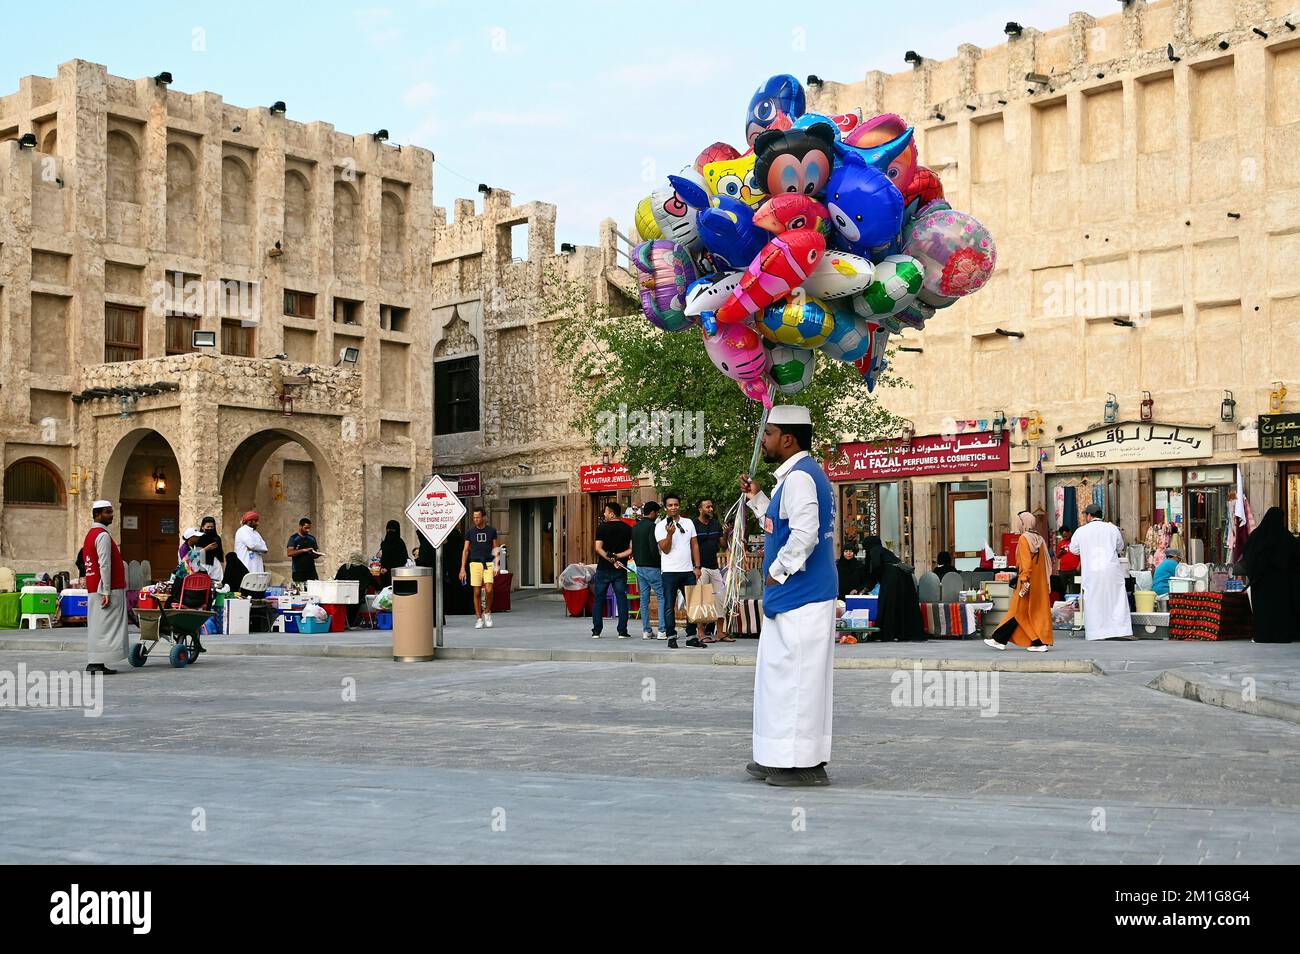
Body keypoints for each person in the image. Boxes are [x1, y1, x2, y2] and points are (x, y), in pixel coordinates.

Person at [740, 404, 836, 787]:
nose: (764, 440)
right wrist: (757, 499)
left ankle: (804, 764)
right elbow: (781, 523)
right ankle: (777, 755)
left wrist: (778, 573)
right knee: (779, 679)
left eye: (769, 433)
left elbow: (805, 534)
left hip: (803, 595)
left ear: (788, 439)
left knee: (798, 680)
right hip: (796, 598)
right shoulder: (795, 477)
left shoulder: (800, 479)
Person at [984, 511, 1053, 652]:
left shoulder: (1024, 539)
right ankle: (1000, 639)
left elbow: (1026, 563)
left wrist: (1023, 579)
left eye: (1019, 522)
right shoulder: (1039, 539)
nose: (1018, 524)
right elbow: (1046, 564)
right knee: (1022, 613)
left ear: (1024, 523)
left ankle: (1036, 642)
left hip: (1026, 583)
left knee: (1018, 612)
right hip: (1039, 584)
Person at [1069, 503, 1133, 640]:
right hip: (1111, 571)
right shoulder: (1112, 528)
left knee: (1094, 601)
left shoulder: (1081, 531)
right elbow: (1120, 546)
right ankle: (1119, 630)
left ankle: (1096, 632)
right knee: (1115, 600)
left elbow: (1073, 549)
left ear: (1089, 516)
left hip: (1092, 572)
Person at [1241, 507, 1299, 643]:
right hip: (1281, 583)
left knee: (1263, 611)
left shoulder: (1257, 536)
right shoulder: (1285, 537)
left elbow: (1248, 556)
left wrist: (1255, 573)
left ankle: (1262, 635)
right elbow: (1295, 558)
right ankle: (1281, 635)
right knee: (1281, 610)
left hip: (1261, 583)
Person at [83, 500, 128, 675]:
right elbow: (104, 564)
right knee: (106, 627)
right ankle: (96, 662)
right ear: (97, 514)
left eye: (111, 511)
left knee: (99, 626)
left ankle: (97, 661)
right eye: (108, 512)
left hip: (96, 587)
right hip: (106, 589)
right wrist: (107, 590)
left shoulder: (91, 534)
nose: (112, 515)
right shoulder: (102, 535)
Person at [655, 492, 701, 649]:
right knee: (669, 605)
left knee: (692, 604)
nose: (673, 507)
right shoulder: (660, 526)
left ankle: (691, 636)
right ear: (665, 508)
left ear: (679, 506)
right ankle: (671, 636)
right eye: (670, 505)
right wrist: (669, 534)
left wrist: (697, 566)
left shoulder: (688, 523)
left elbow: (694, 545)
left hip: (688, 570)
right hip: (669, 572)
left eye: (676, 504)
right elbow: (665, 550)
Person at [863, 536, 925, 641]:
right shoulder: (885, 551)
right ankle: (903, 633)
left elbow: (876, 567)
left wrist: (868, 586)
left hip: (892, 577)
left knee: (888, 604)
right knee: (902, 604)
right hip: (903, 577)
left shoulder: (874, 550)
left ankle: (888, 633)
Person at [591, 503, 633, 639]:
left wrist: (610, 559)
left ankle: (596, 631)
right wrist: (618, 558)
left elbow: (598, 548)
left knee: (598, 599)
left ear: (612, 514)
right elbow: (632, 549)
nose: (604, 514)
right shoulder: (628, 528)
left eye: (605, 512)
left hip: (603, 568)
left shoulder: (602, 528)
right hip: (620, 569)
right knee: (622, 599)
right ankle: (622, 631)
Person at [688, 497, 726, 642]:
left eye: (711, 507)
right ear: (700, 509)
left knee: (720, 599)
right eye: (707, 507)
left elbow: (722, 544)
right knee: (701, 600)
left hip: (715, 567)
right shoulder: (693, 524)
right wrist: (695, 567)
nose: (711, 509)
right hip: (701, 567)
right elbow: (690, 546)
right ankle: (701, 633)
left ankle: (720, 632)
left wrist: (726, 533)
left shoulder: (716, 523)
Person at [630, 501, 666, 640]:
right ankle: (662, 630)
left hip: (639, 567)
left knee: (644, 600)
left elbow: (633, 547)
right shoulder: (652, 526)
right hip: (652, 567)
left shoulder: (635, 527)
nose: (657, 515)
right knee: (661, 597)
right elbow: (653, 547)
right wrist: (659, 562)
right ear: (652, 513)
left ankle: (646, 630)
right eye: (657, 513)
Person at [460, 508, 499, 629]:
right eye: (474, 517)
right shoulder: (470, 532)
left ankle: (487, 612)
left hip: (488, 563)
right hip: (475, 563)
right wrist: (462, 568)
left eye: (478, 517)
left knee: (489, 589)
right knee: (476, 591)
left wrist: (497, 564)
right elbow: (466, 550)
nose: (476, 520)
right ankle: (478, 617)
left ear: (483, 517)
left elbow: (496, 549)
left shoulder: (491, 531)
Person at [334, 552, 379, 627]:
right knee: (355, 603)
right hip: (358, 596)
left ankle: (345, 623)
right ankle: (350, 623)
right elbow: (373, 582)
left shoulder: (344, 567)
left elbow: (336, 581)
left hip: (342, 596)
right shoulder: (364, 569)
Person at [286, 516, 323, 585]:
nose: (307, 530)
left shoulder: (312, 538)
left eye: (309, 528)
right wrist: (303, 550)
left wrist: (316, 555)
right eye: (306, 528)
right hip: (298, 571)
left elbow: (314, 553)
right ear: (300, 526)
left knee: (314, 588)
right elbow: (289, 553)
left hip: (311, 570)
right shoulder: (294, 538)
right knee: (300, 590)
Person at [376, 520, 409, 591]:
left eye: (393, 530)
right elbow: (382, 557)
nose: (390, 531)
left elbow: (402, 560)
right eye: (388, 529)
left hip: (396, 576)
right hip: (384, 576)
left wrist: (388, 568)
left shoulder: (400, 544)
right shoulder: (385, 542)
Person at [234, 511, 268, 575]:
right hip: (246, 565)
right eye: (256, 521)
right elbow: (251, 545)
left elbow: (265, 548)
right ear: (250, 521)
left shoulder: (256, 533)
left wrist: (256, 548)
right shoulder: (242, 531)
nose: (258, 523)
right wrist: (258, 548)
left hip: (257, 566)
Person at [196, 515, 224, 584]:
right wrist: (206, 549)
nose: (210, 529)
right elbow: (196, 554)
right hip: (203, 564)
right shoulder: (199, 538)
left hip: (215, 565)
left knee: (217, 584)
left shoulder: (217, 538)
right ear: (203, 527)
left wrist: (223, 567)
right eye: (208, 527)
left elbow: (220, 554)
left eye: (212, 527)